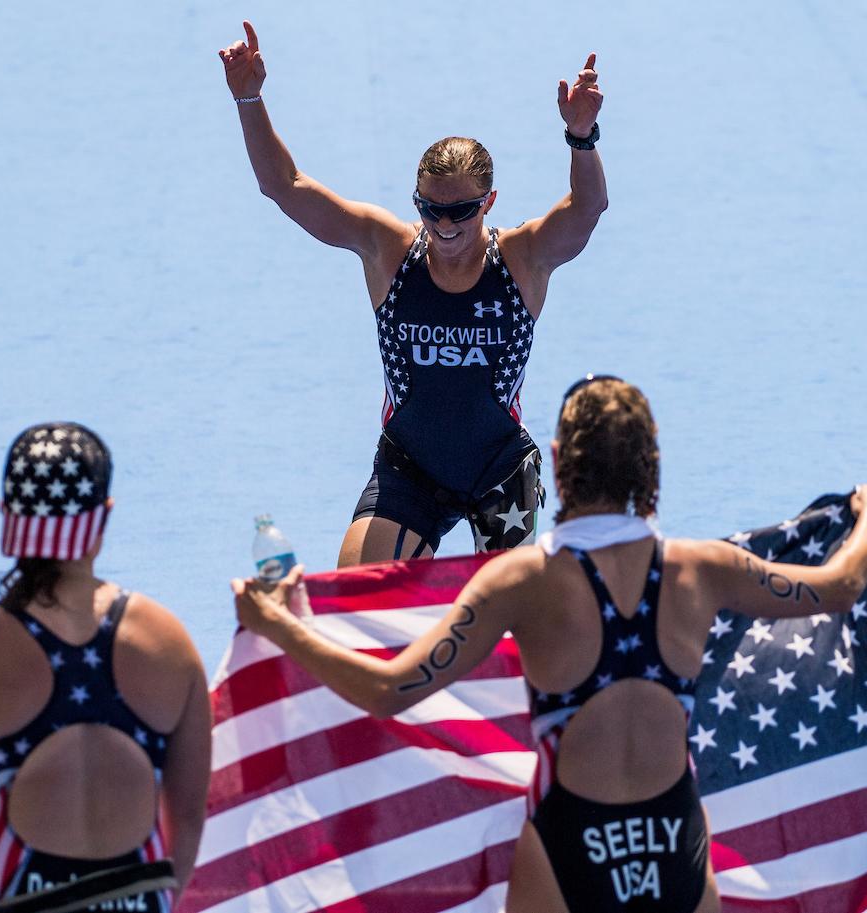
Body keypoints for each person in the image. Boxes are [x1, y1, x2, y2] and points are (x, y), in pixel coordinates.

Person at [232, 377, 867, 913]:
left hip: (565, 847)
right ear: (651, 464)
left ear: (555, 461)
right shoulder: (700, 569)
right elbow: (838, 585)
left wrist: (282, 626)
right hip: (675, 843)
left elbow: (387, 688)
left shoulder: (522, 579)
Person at [219, 21, 609, 566]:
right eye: (431, 209)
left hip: (497, 470)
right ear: (416, 201)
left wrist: (582, 138)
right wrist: (249, 97)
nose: (444, 225)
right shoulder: (388, 251)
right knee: (356, 595)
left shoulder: (523, 258)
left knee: (512, 621)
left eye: (462, 211)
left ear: (489, 202)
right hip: (410, 466)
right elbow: (285, 186)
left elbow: (587, 209)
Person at [0, 423, 210, 910]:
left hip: (14, 895)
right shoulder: (168, 642)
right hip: (137, 893)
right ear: (102, 519)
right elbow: (188, 814)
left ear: (8, 517)